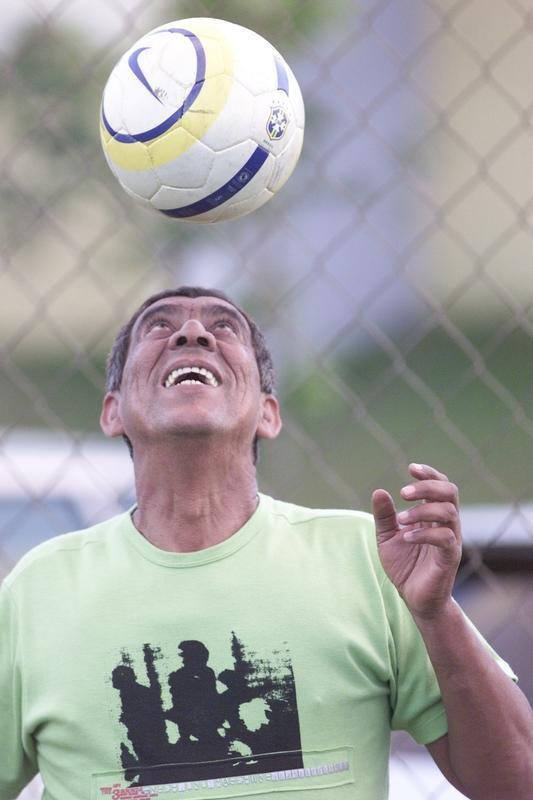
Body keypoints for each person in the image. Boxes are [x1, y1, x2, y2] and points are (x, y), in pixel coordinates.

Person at [0, 285, 532, 800]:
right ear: (112, 411)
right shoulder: (38, 588)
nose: (191, 333)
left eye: (223, 327)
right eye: (158, 326)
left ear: (268, 414)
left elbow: (517, 783)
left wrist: (438, 615)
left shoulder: (369, 559)